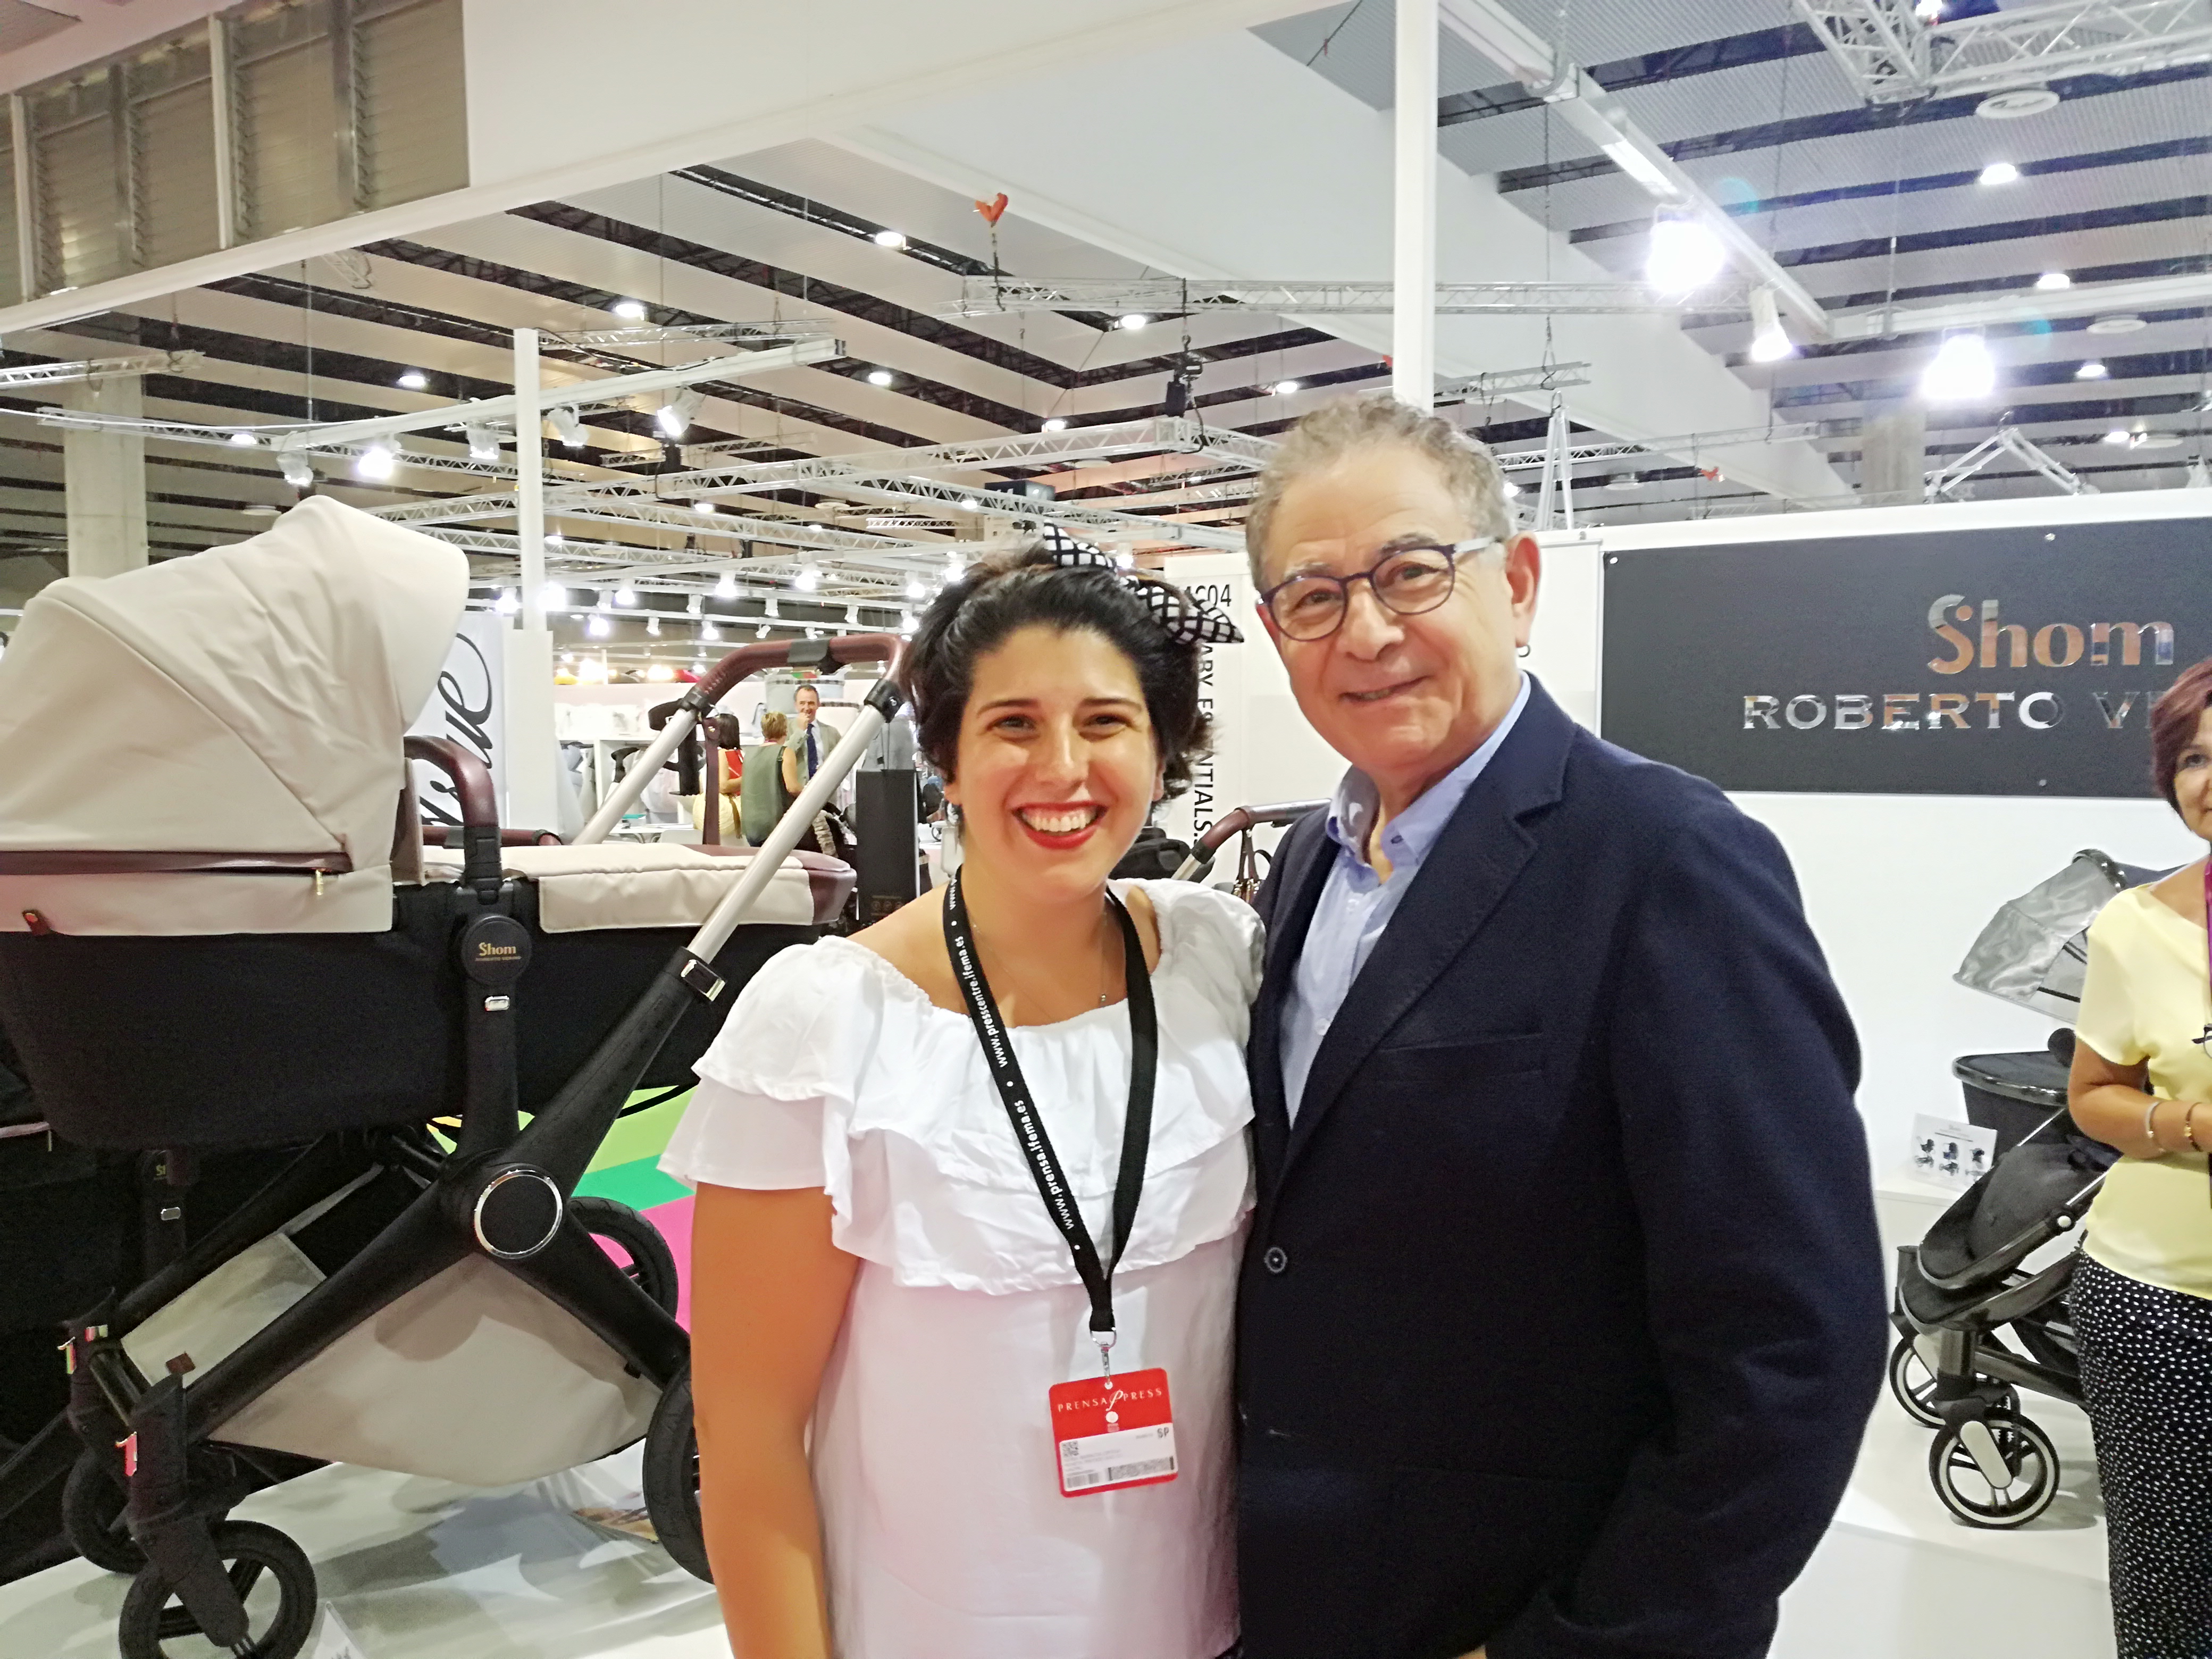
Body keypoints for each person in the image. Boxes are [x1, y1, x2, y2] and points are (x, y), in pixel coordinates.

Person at [1234, 395, 1887, 1659]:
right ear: (1276, 632)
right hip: (1307, 1587)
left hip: (1527, 1609)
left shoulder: (1668, 859)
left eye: (1411, 573)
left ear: (1518, 584)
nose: (1366, 631)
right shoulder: (1312, 860)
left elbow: (1790, 1346)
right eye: (1314, 597)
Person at [661, 537, 1255, 1659]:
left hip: (1208, 1621)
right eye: (1014, 724)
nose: (1063, 768)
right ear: (947, 753)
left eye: (1106, 722)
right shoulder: (830, 1024)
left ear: (1163, 747)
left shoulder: (1215, 959)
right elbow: (746, 1440)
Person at [2065, 656, 2212, 1659]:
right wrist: (2195, 1124)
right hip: (2160, 1307)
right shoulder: (2135, 925)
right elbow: (2095, 1096)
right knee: (2172, 1604)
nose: (2211, 779)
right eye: (2193, 759)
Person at [740, 709, 794, 847]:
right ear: (785, 729)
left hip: (750, 823)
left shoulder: (749, 754)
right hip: (774, 822)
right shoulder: (785, 752)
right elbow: (792, 787)